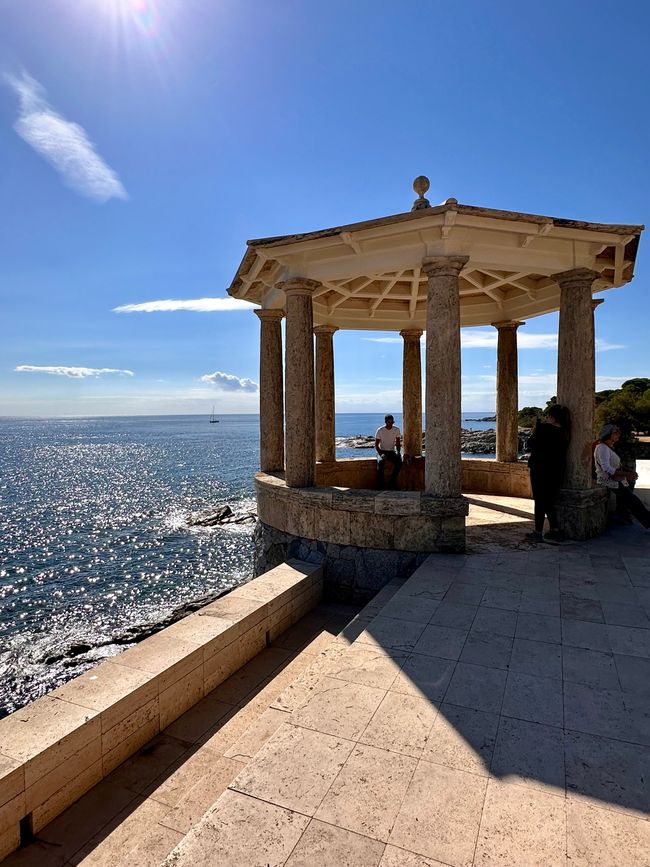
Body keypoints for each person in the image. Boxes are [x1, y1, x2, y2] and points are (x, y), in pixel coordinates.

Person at [526, 404, 570, 543]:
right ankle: (554, 529)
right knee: (549, 500)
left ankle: (538, 532)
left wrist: (535, 430)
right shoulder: (565, 432)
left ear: (552, 416)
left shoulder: (544, 428)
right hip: (556, 470)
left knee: (539, 500)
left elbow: (530, 444)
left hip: (540, 468)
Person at [594, 424, 650, 529]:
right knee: (632, 500)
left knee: (630, 496)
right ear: (608, 435)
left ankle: (623, 513)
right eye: (615, 434)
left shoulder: (607, 448)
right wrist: (627, 474)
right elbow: (606, 468)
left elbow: (614, 465)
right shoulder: (602, 448)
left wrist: (627, 472)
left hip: (614, 478)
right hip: (606, 479)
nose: (617, 436)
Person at [375, 414, 402, 489]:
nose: (391, 424)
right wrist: (381, 454)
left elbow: (398, 443)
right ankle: (381, 485)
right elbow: (376, 445)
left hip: (391, 451)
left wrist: (399, 453)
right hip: (382, 451)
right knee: (380, 464)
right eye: (389, 422)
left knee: (399, 463)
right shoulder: (380, 430)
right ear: (385, 422)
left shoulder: (396, 429)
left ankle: (391, 483)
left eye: (392, 422)